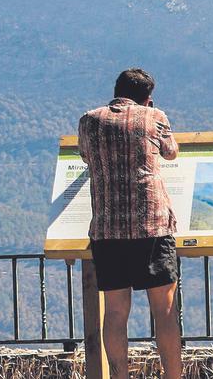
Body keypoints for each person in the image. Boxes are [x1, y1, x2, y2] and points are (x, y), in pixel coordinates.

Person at [78, 68, 182, 379]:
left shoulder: (89, 120)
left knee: (115, 312)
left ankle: (120, 376)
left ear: (116, 90)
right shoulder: (155, 117)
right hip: (152, 225)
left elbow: (85, 156)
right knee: (164, 313)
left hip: (108, 230)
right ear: (147, 99)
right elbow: (171, 152)